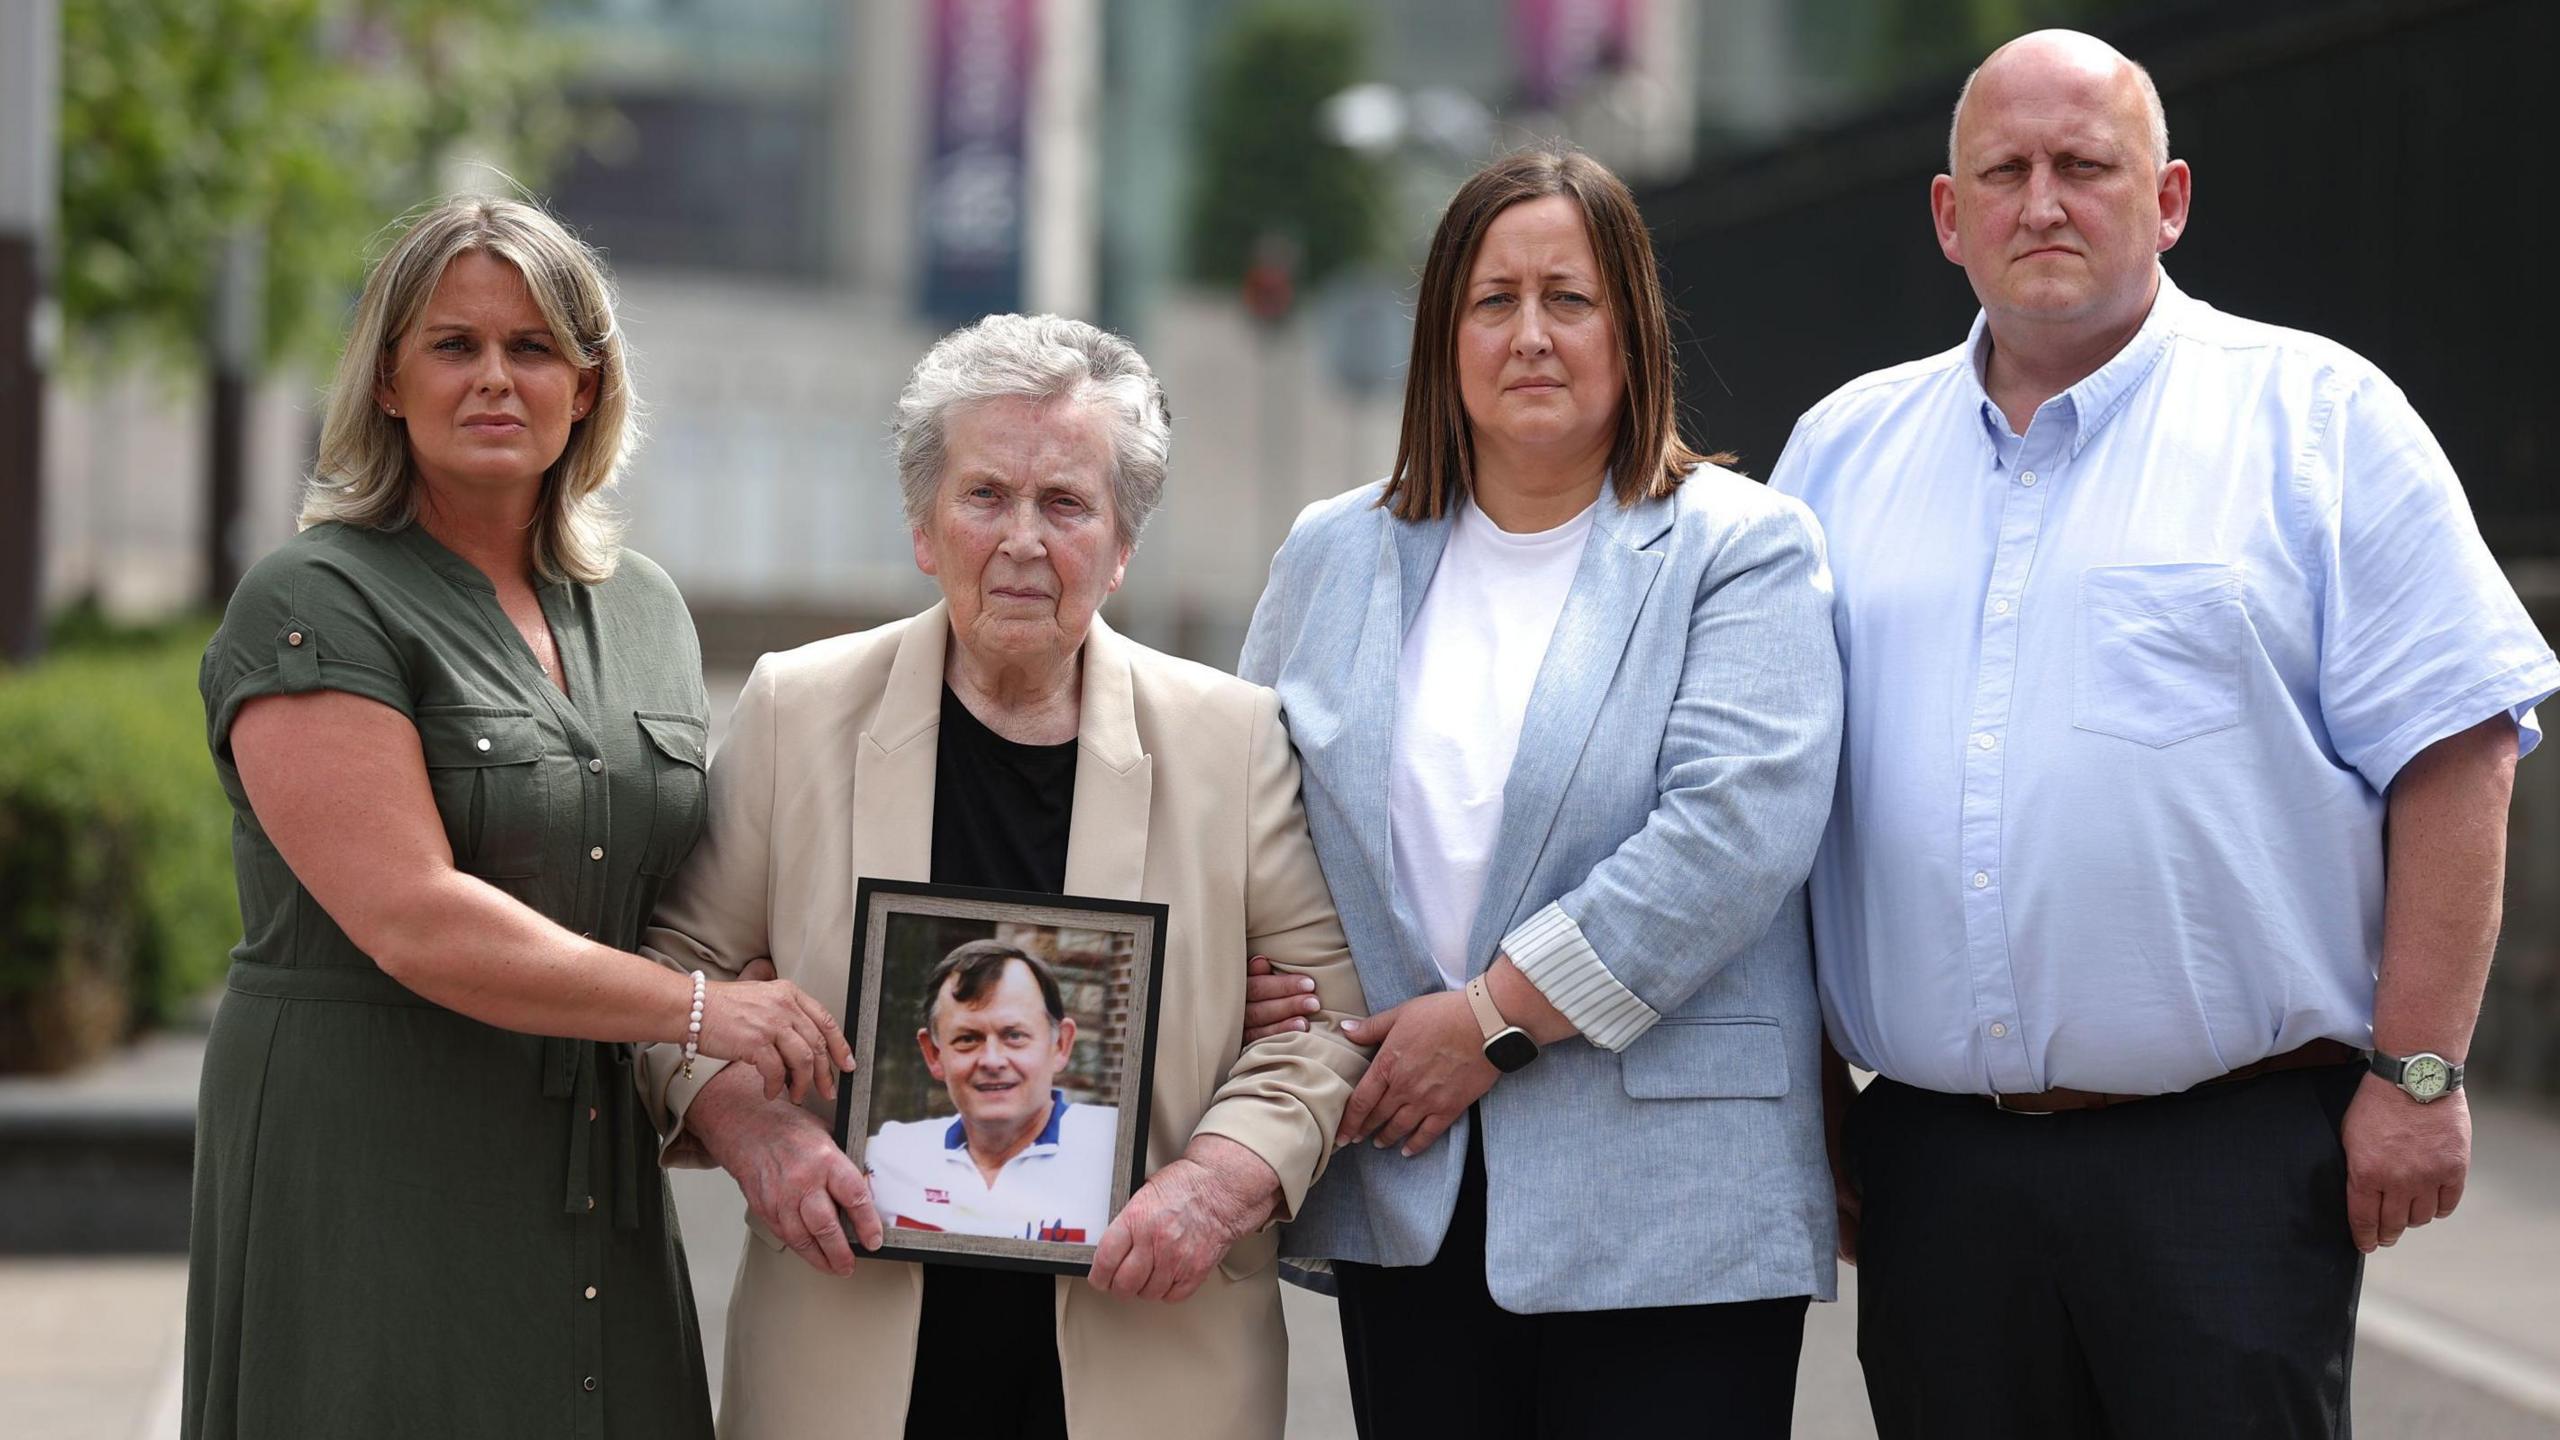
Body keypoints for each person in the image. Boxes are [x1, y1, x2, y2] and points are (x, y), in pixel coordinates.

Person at [1767, 30, 2559, 1439]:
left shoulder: (2320, 420)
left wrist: (2421, 1074)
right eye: (2003, 172)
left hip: (2233, 1166)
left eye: (2087, 166)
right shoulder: (1839, 453)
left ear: (2171, 198)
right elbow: (1778, 804)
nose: (2044, 203)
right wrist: (1808, 1093)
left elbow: (2458, 750)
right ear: (1950, 217)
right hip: (1935, 1165)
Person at [182, 196, 853, 1439]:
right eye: (454, 345)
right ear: (387, 380)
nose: (496, 378)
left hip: (589, 1162)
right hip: (370, 1150)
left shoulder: (647, 609)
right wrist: (706, 1011)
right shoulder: (313, 597)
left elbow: (681, 904)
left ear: (589, 386)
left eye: (534, 348)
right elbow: (412, 918)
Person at [635, 312, 1369, 1440]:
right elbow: (672, 976)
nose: (1023, 539)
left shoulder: (1231, 739)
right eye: (985, 496)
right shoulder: (797, 711)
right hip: (850, 1353)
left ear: (1122, 545)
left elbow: (1324, 1022)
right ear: (924, 528)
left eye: (1067, 504)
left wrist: (1219, 1180)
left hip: (1149, 1352)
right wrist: (754, 1130)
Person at [1238, 146, 1844, 1438]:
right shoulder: (1332, 552)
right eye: (1491, 300)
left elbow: (1734, 836)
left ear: (1631, 327)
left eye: (1568, 298)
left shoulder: (1741, 547)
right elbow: (1250, 815)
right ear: (1442, 337)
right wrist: (1260, 975)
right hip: (1407, 1178)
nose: (1530, 335)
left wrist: (1493, 1021)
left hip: (1672, 1206)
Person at [866, 941, 1119, 1242]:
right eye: (967, 1039)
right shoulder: (888, 1157)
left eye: (1014, 1035)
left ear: (1060, 1045)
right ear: (934, 1054)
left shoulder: (1118, 1147)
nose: (992, 1061)